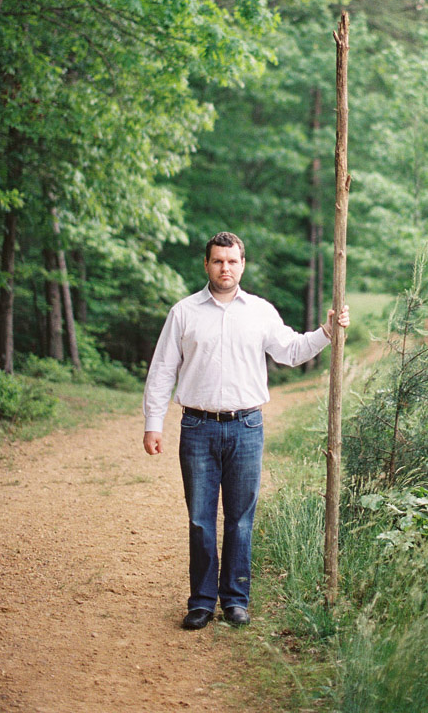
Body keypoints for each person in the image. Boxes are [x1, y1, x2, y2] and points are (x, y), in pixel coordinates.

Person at [142, 231, 350, 630]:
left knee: (241, 519)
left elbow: (291, 351)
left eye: (232, 261)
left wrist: (326, 333)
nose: (225, 268)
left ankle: (235, 600)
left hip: (247, 426)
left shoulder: (259, 311)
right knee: (201, 519)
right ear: (206, 265)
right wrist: (154, 424)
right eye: (218, 261)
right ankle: (201, 602)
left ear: (242, 264)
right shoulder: (184, 313)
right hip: (198, 426)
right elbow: (162, 370)